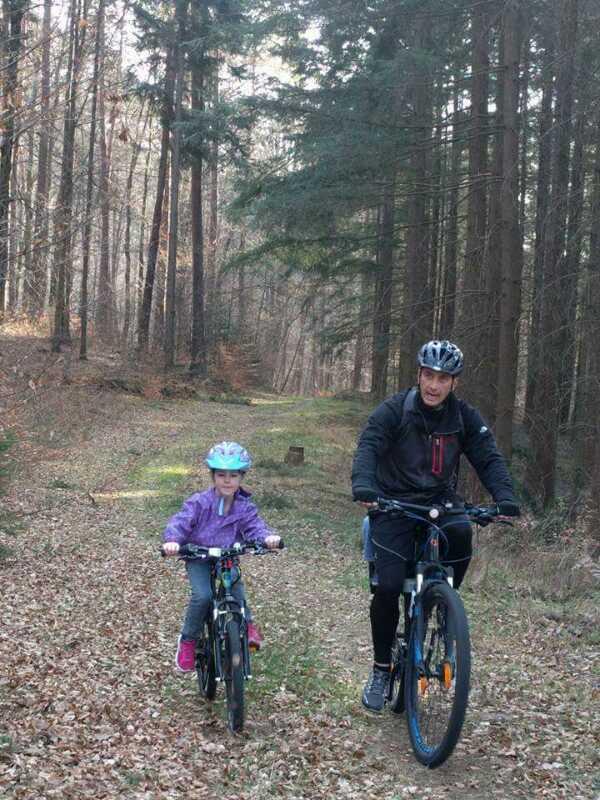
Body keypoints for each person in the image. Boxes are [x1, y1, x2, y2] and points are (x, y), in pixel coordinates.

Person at [351, 340, 520, 712]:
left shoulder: (464, 417)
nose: (434, 385)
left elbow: (488, 457)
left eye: (443, 378)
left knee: (461, 531)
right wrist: (365, 485)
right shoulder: (394, 410)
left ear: (454, 383)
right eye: (429, 375)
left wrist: (504, 498)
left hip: (440, 504)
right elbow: (368, 447)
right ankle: (381, 668)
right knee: (389, 587)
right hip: (393, 503)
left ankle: (444, 602)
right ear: (418, 375)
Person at [163, 441, 281, 673]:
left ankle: (247, 626)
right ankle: (188, 641)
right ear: (213, 476)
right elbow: (181, 521)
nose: (227, 480)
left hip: (227, 555)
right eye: (221, 475)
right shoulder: (199, 502)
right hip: (198, 555)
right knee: (203, 596)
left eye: (233, 475)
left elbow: (255, 527)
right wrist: (173, 540)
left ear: (241, 477)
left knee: (235, 588)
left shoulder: (244, 507)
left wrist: (267, 538)